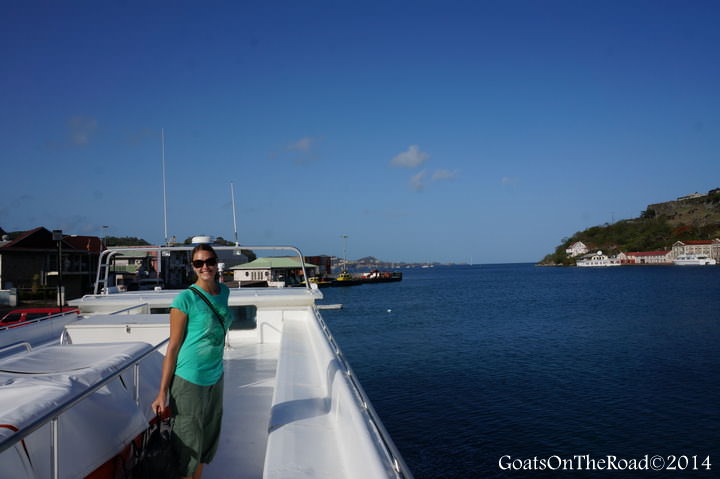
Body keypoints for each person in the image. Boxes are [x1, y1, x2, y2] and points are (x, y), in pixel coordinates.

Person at [151, 244, 231, 479]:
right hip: (189, 378)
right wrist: (162, 392)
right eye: (199, 263)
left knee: (207, 438)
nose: (205, 267)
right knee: (188, 443)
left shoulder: (224, 291)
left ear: (216, 263)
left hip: (216, 375)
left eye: (209, 261)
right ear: (193, 267)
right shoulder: (184, 299)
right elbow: (173, 347)